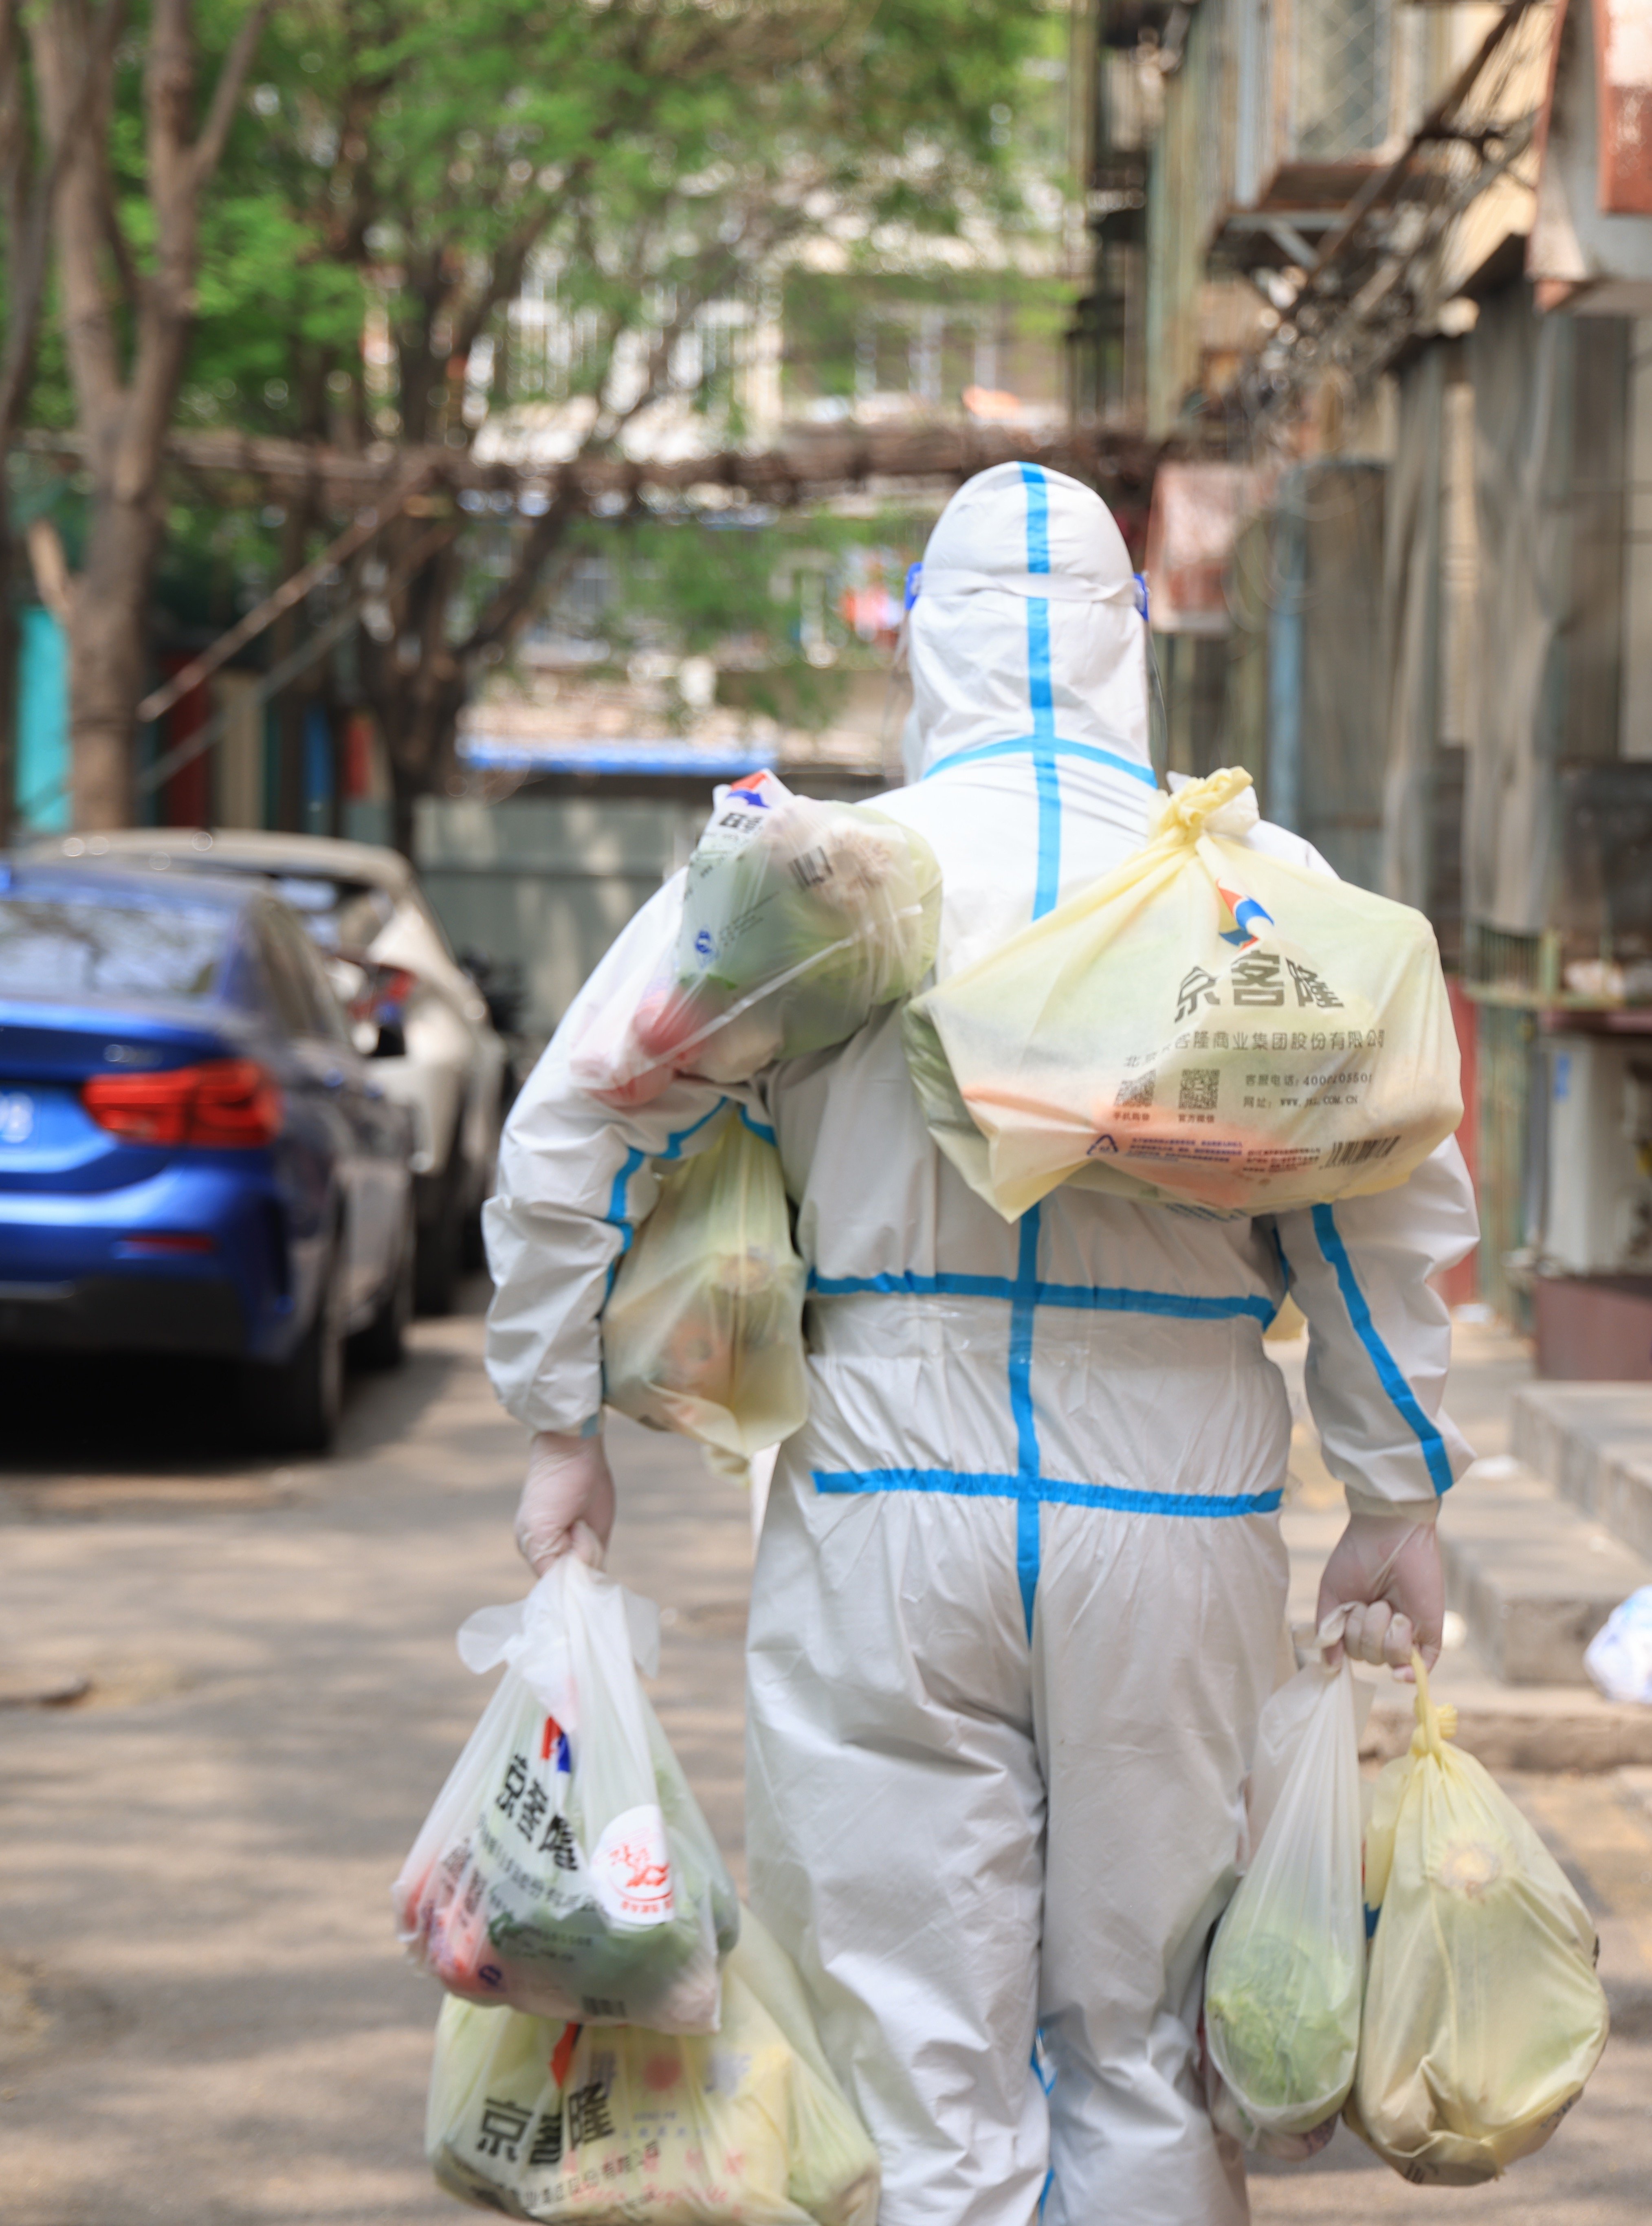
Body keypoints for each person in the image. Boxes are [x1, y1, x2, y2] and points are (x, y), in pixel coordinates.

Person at [484, 462, 1477, 2226]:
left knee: (913, 2052)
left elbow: (581, 1130)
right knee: (1154, 2051)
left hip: (884, 1494)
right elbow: (1384, 1197)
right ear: (1133, 643)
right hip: (1174, 1513)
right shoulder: (1255, 888)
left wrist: (563, 1423)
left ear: (924, 644)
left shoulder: (820, 876)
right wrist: (1397, 1492)